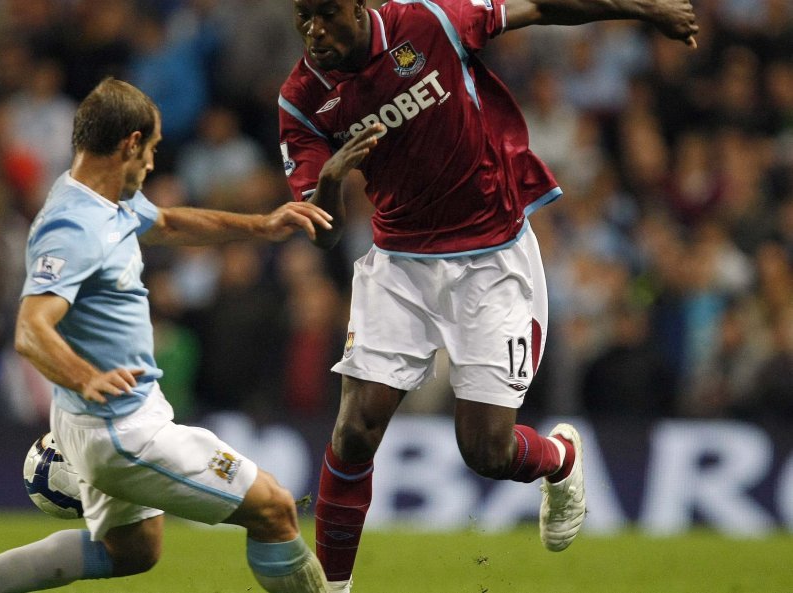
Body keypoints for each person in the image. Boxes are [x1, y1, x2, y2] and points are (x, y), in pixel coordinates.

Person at [277, 0, 698, 590]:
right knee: (354, 430)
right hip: (399, 264)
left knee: (486, 451)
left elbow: (542, 7)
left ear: (359, 5)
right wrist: (328, 181)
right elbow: (321, 236)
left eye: (325, 15)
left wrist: (644, 10)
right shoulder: (301, 98)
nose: (313, 31)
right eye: (303, 20)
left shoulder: (429, 22)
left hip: (490, 258)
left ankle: (559, 460)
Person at [0, 77, 335, 593]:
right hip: (119, 427)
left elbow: (171, 225)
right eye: (152, 149)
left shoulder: (105, 201)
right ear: (130, 143)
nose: (154, 164)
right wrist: (85, 376)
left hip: (99, 417)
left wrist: (261, 226)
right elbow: (29, 328)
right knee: (272, 508)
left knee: (132, 549)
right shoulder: (73, 227)